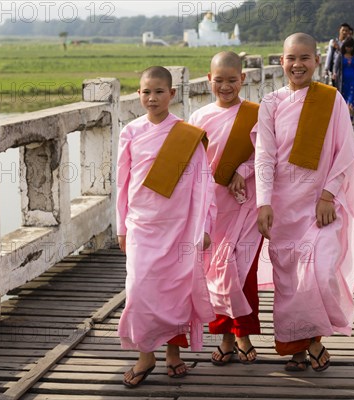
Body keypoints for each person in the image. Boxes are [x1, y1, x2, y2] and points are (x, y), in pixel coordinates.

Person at [255, 32, 354, 372]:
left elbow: (344, 153)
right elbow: (264, 156)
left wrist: (329, 195)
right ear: (282, 61)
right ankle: (301, 349)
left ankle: (315, 339)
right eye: (290, 58)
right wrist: (263, 202)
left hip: (321, 205)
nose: (297, 64)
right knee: (291, 282)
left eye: (304, 58)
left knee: (320, 272)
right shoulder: (270, 103)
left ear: (317, 60)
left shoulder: (331, 100)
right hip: (283, 205)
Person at [116, 66, 216, 387]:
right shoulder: (130, 132)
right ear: (138, 94)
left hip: (179, 227)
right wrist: (121, 226)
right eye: (146, 91)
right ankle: (146, 354)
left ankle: (173, 353)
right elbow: (122, 183)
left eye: (159, 91)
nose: (152, 98)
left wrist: (203, 225)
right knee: (139, 289)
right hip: (141, 226)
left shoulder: (187, 135)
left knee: (174, 291)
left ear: (172, 94)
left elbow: (204, 185)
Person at [188, 51, 263, 366]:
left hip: (246, 204)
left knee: (242, 272)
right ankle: (225, 336)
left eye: (232, 80)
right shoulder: (198, 119)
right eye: (219, 80)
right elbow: (191, 166)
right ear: (209, 80)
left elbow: (267, 156)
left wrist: (241, 172)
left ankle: (243, 333)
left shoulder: (256, 114)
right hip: (213, 208)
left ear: (243, 79)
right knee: (215, 272)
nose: (226, 86)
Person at [333, 37, 354, 123]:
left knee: (351, 99)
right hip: (343, 81)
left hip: (353, 80)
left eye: (351, 47)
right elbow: (336, 66)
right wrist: (334, 73)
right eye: (347, 46)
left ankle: (351, 117)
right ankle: (347, 118)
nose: (349, 48)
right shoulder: (340, 56)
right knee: (344, 99)